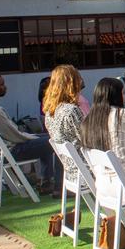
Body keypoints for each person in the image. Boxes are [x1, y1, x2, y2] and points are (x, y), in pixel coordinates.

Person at [0, 74, 60, 195]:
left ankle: (47, 182)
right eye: (1, 84)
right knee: (56, 140)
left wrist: (35, 137)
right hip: (10, 151)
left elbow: (13, 133)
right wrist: (33, 137)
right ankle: (59, 185)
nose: (5, 87)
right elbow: (15, 136)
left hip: (2, 149)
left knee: (49, 139)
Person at [43, 64, 85, 194]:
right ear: (72, 84)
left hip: (69, 170)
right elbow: (87, 140)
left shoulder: (50, 112)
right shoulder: (71, 111)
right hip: (84, 170)